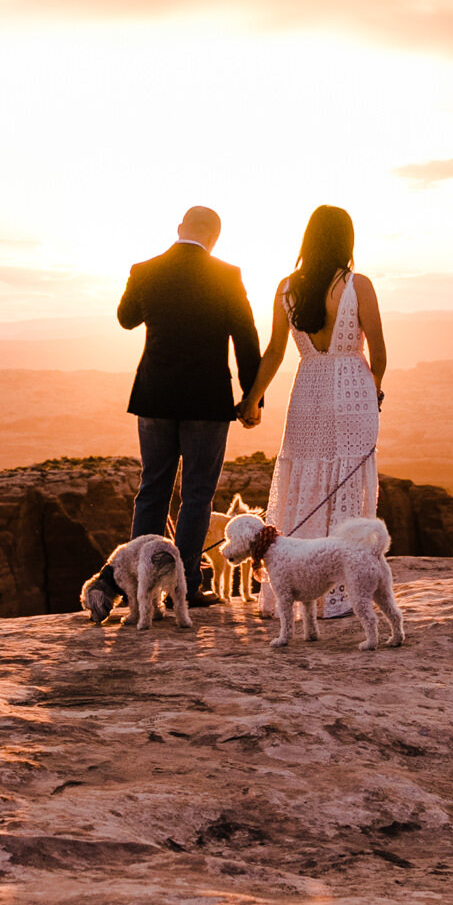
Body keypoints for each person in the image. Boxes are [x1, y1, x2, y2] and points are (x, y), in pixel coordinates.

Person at [240, 204, 387, 617]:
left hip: (307, 391)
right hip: (353, 393)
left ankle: (297, 589)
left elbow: (273, 351)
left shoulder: (287, 288)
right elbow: (378, 348)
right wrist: (373, 391)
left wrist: (252, 399)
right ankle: (342, 591)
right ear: (347, 240)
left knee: (304, 484)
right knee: (347, 487)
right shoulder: (359, 285)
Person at [118, 206, 262, 609]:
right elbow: (246, 338)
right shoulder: (227, 275)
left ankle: (138, 585)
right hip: (206, 400)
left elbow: (126, 319)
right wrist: (252, 398)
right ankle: (186, 588)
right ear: (215, 237)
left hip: (155, 396)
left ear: (179, 229)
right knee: (197, 494)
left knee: (152, 490)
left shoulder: (145, 269)